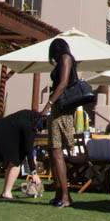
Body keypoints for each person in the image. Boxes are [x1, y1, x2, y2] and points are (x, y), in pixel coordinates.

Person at [39, 37, 76, 208]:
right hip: (57, 110)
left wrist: (48, 105)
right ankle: (59, 193)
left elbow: (62, 84)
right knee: (53, 152)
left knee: (57, 152)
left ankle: (66, 196)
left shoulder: (65, 58)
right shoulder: (62, 60)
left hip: (61, 110)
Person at [0, 109, 44, 199]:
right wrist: (34, 173)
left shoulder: (28, 115)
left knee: (15, 161)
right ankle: (6, 193)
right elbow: (29, 150)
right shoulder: (30, 126)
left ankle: (6, 192)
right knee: (16, 163)